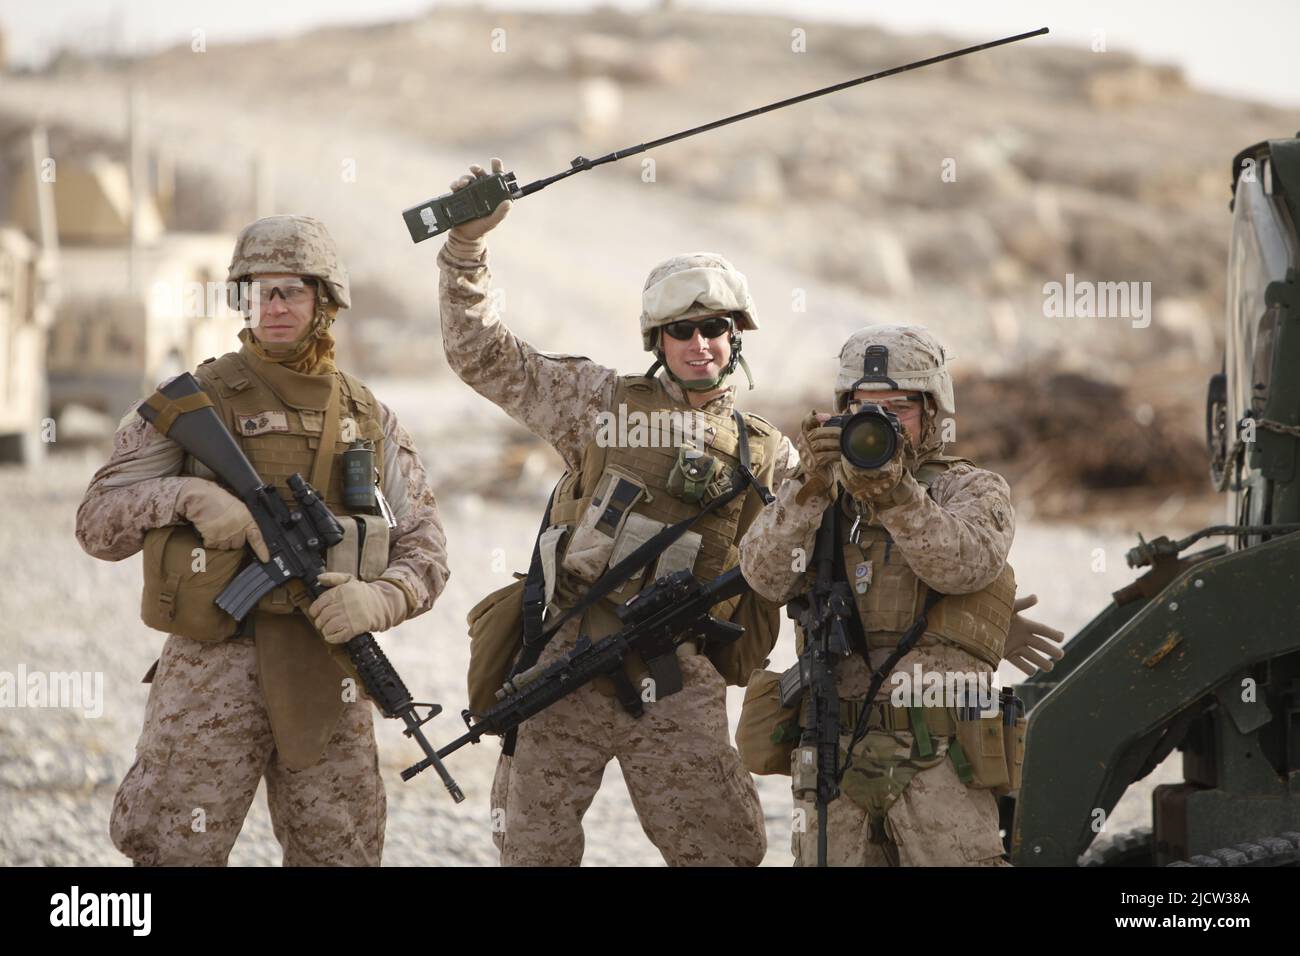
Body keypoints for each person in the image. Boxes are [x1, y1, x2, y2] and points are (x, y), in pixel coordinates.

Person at [438, 158, 796, 866]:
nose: (699, 344)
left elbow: (801, 565)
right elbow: (481, 354)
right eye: (681, 330)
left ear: (736, 336)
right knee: (531, 847)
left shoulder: (770, 455)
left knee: (726, 850)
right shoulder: (600, 405)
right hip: (568, 658)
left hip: (679, 677)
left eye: (714, 328)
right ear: (657, 341)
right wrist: (465, 250)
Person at [76, 215, 449, 866]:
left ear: (324, 301)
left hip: (327, 669)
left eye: (291, 291)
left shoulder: (368, 415)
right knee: (174, 853)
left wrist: (380, 601)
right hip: (211, 672)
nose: (273, 306)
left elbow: (426, 547)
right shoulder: (194, 404)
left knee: (341, 853)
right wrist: (187, 496)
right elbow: (97, 523)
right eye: (258, 290)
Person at [739, 324, 1036, 866]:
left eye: (897, 408)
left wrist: (896, 493)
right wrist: (807, 487)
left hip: (941, 757)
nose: (878, 423)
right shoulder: (818, 493)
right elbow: (764, 576)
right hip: (833, 745)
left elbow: (962, 565)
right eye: (863, 408)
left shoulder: (971, 488)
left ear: (932, 413)